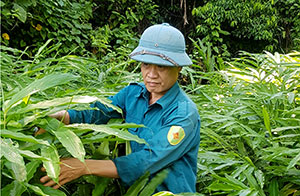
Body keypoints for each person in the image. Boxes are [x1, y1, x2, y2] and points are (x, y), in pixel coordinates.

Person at [40, 23, 200, 193]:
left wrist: (84, 166)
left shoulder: (184, 114)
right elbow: (97, 113)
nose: (151, 74)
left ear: (179, 68)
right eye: (146, 64)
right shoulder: (132, 94)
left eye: (161, 66)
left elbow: (148, 160)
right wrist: (61, 117)